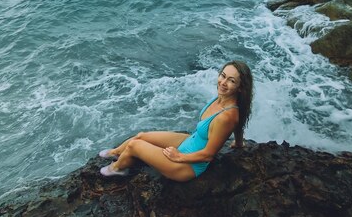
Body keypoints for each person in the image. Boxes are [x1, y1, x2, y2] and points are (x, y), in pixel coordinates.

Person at [99, 60, 254, 182]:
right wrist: (239, 143)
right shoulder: (222, 99)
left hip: (188, 166)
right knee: (141, 136)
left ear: (240, 88)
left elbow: (208, 155)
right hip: (191, 141)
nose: (223, 82)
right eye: (223, 75)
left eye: (231, 81)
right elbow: (238, 125)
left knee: (134, 145)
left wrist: (178, 157)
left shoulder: (227, 116)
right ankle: (116, 153)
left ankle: (118, 168)